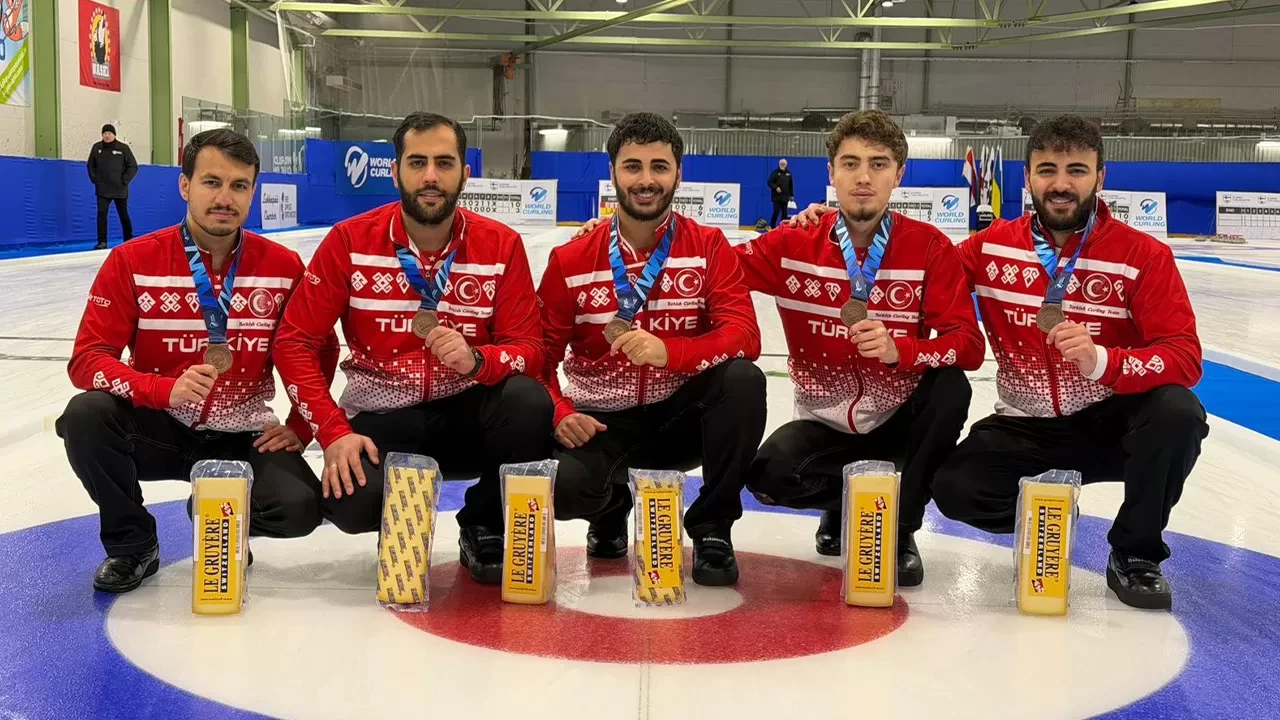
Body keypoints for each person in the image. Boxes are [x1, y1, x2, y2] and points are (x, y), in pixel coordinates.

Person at [794, 115, 1208, 609]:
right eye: (1047, 170)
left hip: (1113, 422)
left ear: (1100, 177)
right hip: (1025, 426)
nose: (1060, 184)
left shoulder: (1143, 255)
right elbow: (914, 262)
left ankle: (1135, 554)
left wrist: (1103, 361)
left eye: (1076, 171)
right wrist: (836, 226)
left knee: (1178, 412)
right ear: (1027, 178)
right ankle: (1048, 513)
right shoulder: (989, 248)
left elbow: (1184, 356)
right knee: (955, 488)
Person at [273, 112, 551, 585]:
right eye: (417, 162)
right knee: (353, 505)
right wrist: (333, 431)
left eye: (444, 163)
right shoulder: (349, 241)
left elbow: (530, 348)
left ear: (465, 173)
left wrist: (478, 360)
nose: (430, 176)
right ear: (396, 170)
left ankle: (483, 523)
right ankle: (401, 521)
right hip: (383, 416)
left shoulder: (500, 245)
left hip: (469, 416)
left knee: (527, 401)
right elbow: (295, 341)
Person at [57, 129, 338, 594]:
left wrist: (299, 425)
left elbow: (321, 348)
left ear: (253, 192)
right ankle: (133, 545)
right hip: (160, 427)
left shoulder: (283, 266)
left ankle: (220, 512)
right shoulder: (132, 261)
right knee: (86, 416)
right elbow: (87, 359)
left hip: (243, 432)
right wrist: (161, 389)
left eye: (239, 185)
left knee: (299, 508)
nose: (225, 197)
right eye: (212, 182)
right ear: (185, 185)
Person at [737, 110, 982, 586]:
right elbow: (707, 266)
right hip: (823, 425)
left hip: (900, 422)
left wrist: (902, 351)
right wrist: (602, 236)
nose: (863, 177)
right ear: (831, 173)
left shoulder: (929, 247)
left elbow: (968, 346)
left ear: (898, 174)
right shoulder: (793, 242)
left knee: (951, 387)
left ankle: (901, 528)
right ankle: (843, 502)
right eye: (850, 163)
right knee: (768, 477)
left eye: (878, 163)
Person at [539, 112, 765, 586]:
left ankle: (713, 528)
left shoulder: (708, 246)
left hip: (680, 419)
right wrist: (560, 410)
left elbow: (746, 335)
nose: (646, 180)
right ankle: (609, 510)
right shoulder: (571, 258)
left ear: (679, 174)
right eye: (632, 166)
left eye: (659, 167)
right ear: (612, 172)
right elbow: (539, 356)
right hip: (602, 422)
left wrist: (671, 353)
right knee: (562, 490)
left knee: (743, 380)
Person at [88, 124, 138, 250]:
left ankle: (128, 239)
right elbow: (90, 165)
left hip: (119, 189)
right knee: (101, 214)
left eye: (109, 133)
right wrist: (94, 179)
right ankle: (102, 241)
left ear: (114, 135)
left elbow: (133, 166)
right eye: (105, 133)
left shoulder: (123, 148)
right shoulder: (96, 148)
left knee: (123, 215)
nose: (107, 136)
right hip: (102, 189)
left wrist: (124, 180)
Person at [768, 158, 794, 228]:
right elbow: (769, 182)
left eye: (784, 164)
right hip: (776, 197)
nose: (782, 165)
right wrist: (776, 187)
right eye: (781, 164)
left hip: (785, 197)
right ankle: (772, 225)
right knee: (776, 212)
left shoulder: (789, 173)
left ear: (786, 165)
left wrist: (791, 195)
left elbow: (791, 185)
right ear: (779, 164)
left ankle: (783, 227)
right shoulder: (775, 173)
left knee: (784, 214)